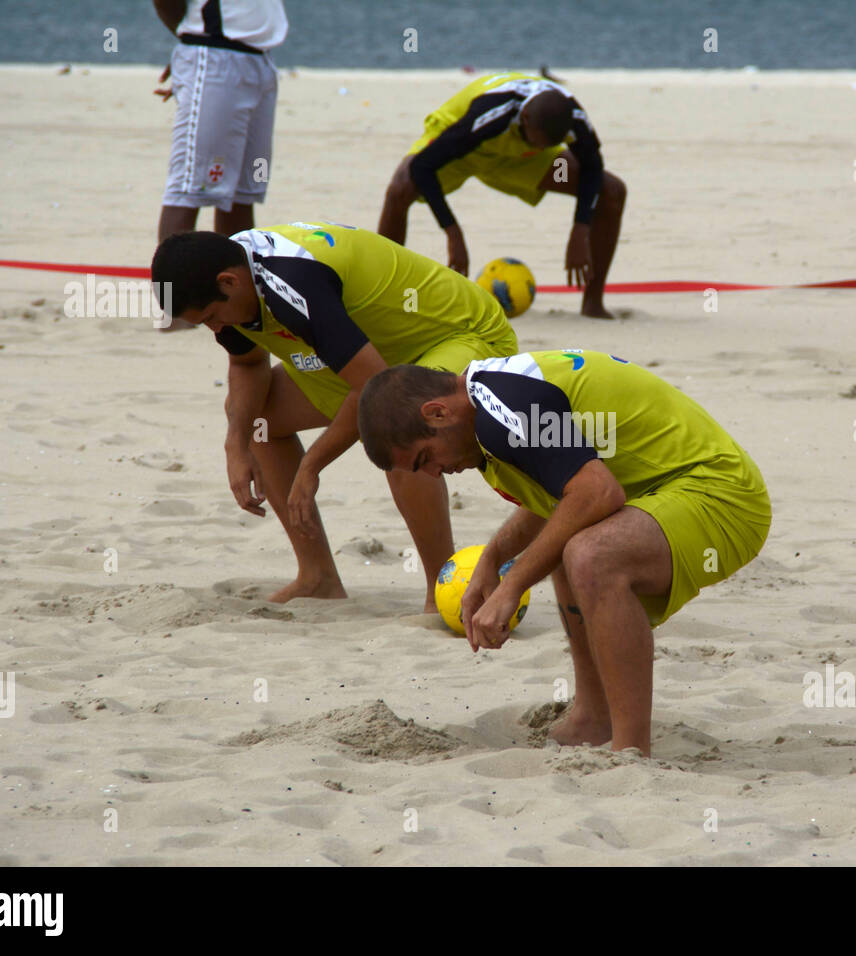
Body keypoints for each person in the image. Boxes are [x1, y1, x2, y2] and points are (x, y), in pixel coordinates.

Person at [355, 351, 771, 757]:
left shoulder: (504, 408)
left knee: (591, 554)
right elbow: (559, 499)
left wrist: (511, 585)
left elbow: (597, 492)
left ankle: (629, 752)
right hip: (676, 490)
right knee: (565, 542)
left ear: (437, 413)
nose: (433, 473)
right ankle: (594, 718)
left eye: (425, 458)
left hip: (723, 494)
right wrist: (492, 560)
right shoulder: (490, 397)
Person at [149, 221, 519, 607]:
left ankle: (441, 591)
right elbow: (247, 366)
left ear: (229, 282)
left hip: (462, 336)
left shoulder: (291, 281)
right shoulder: (232, 282)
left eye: (211, 316)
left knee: (397, 428)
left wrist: (311, 466)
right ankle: (317, 577)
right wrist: (235, 445)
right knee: (261, 421)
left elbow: (373, 392)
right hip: (376, 357)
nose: (215, 328)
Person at [377, 72, 627, 319]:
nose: (543, 148)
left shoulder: (574, 121)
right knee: (401, 188)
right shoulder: (491, 115)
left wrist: (580, 229)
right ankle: (382, 296)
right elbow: (423, 167)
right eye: (540, 143)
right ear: (525, 117)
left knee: (612, 191)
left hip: (520, 156)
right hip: (458, 146)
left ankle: (593, 304)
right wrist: (453, 233)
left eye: (548, 146)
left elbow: (592, 167)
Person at [152, 0, 286, 249]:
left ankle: (234, 285)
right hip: (214, 54)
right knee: (187, 191)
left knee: (241, 193)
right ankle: (169, 288)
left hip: (261, 58)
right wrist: (192, 41)